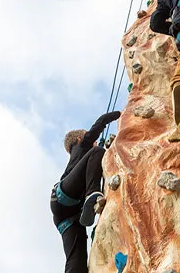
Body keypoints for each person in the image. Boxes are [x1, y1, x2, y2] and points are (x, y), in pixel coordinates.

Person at [50, 111, 121, 273]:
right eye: (91, 139)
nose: (94, 141)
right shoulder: (82, 146)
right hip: (64, 196)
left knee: (77, 263)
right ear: (79, 139)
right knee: (98, 152)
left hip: (67, 218)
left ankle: (91, 196)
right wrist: (119, 114)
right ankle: (92, 193)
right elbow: (100, 123)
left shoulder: (81, 160)